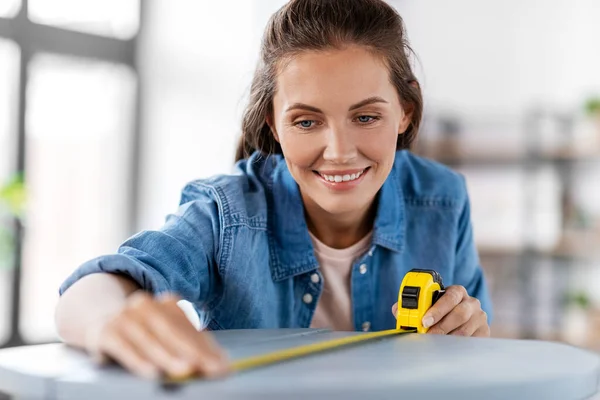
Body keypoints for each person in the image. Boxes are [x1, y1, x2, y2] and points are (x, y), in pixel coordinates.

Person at [55, 0, 492, 381]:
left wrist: (468, 331)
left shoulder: (443, 199)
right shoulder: (226, 214)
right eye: (306, 121)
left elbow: (476, 348)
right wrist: (111, 320)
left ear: (405, 110)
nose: (339, 152)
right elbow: (90, 291)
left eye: (365, 117)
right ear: (272, 124)